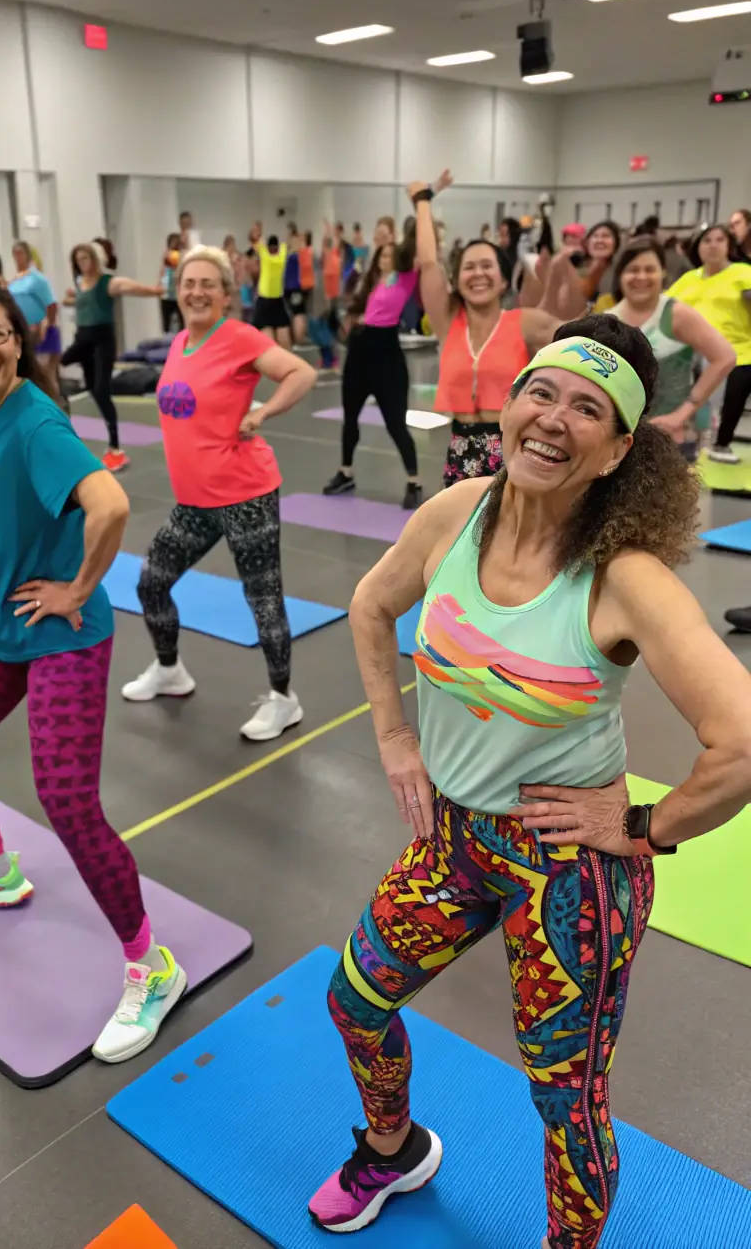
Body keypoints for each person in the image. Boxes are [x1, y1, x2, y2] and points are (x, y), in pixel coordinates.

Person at [309, 312, 751, 1247]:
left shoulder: (623, 577)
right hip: (453, 840)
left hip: (569, 871)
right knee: (355, 998)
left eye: (588, 409)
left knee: (565, 1099)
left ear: (619, 450)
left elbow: (742, 743)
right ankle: (392, 1148)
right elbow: (370, 602)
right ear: (509, 405)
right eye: (540, 392)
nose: (553, 418)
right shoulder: (454, 513)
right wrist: (395, 737)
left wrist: (642, 826)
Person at [0, 275, 184, 1063]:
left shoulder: (34, 423)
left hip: (60, 634)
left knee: (66, 799)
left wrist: (79, 587)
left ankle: (152, 967)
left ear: (19, 341)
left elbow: (111, 505)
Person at [122, 246, 317, 740]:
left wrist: (262, 412)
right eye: (189, 283)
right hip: (195, 501)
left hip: (245, 494)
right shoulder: (179, 343)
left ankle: (284, 699)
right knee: (151, 582)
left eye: (208, 284)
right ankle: (170, 670)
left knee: (263, 600)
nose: (197, 292)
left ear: (227, 295)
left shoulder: (238, 337)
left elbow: (301, 372)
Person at [416, 173, 577, 485]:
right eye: (469, 267)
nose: (478, 274)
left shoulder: (526, 322)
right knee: (464, 519)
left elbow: (584, 342)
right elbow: (428, 263)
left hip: (513, 451)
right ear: (457, 280)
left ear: (503, 281)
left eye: (487, 266)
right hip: (460, 451)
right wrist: (423, 201)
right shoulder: (448, 323)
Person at [609, 235, 734, 462]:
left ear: (663, 273)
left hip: (671, 438)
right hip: (620, 441)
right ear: (620, 275)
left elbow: (725, 357)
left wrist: (682, 413)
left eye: (650, 269)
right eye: (633, 270)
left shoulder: (676, 314)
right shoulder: (608, 320)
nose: (641, 277)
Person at [322, 233, 423, 510]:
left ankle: (413, 481)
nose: (384, 259)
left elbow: (416, 246)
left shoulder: (406, 278)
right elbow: (355, 309)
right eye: (382, 255)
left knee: (395, 423)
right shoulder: (369, 281)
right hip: (359, 351)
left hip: (387, 354)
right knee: (350, 418)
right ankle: (345, 472)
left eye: (390, 255)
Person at [61, 242, 164, 474]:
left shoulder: (108, 282)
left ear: (95, 259)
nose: (82, 263)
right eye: (78, 260)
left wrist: (154, 291)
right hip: (83, 342)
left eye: (86, 258)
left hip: (102, 342)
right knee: (80, 383)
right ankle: (66, 436)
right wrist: (70, 299)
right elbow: (82, 302)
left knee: (101, 390)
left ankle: (115, 447)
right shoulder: (80, 283)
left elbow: (130, 287)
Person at [668, 223, 751, 463]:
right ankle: (683, 439)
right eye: (707, 240)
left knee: (734, 383)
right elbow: (665, 307)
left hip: (738, 350)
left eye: (719, 240)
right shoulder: (688, 278)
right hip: (689, 351)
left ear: (729, 246)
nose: (712, 245)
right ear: (698, 247)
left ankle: (721, 443)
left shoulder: (743, 273)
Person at [7, 240, 60, 384]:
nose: (18, 256)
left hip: (40, 330)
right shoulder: (14, 280)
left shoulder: (37, 279)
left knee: (45, 375)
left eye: (21, 253)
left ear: (28, 254)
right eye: (15, 253)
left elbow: (51, 304)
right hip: (23, 331)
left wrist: (47, 324)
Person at [253, 233, 292, 350]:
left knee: (272, 344)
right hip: (273, 302)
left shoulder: (265, 256)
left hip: (269, 301)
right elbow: (286, 245)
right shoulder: (281, 256)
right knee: (279, 343)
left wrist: (259, 234)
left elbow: (257, 243)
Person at [283, 223, 309, 346]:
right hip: (292, 287)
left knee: (297, 313)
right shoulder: (293, 252)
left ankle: (298, 340)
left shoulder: (295, 253)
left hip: (294, 287)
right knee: (296, 313)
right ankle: (297, 339)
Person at [160, 233, 182, 335]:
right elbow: (163, 272)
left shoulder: (180, 255)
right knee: (167, 325)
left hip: (178, 294)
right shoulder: (167, 255)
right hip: (167, 294)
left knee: (181, 323)